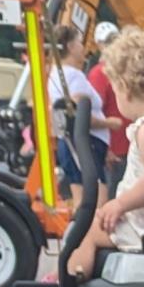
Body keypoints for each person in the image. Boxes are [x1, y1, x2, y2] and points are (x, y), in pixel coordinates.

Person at [65, 28, 144, 280]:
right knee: (97, 222)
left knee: (88, 230)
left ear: (124, 88)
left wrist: (119, 204)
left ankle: (68, 282)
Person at [45, 21, 118, 210]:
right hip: (87, 144)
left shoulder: (55, 74)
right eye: (79, 42)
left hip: (70, 143)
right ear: (69, 47)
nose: (83, 47)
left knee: (80, 198)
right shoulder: (74, 77)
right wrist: (109, 123)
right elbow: (78, 116)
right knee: (98, 200)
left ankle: (78, 236)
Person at [86, 19, 128, 191]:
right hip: (113, 152)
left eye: (114, 40)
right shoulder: (99, 74)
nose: (112, 45)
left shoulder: (123, 70)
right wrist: (107, 149)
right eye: (108, 42)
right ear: (100, 45)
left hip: (127, 148)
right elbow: (95, 111)